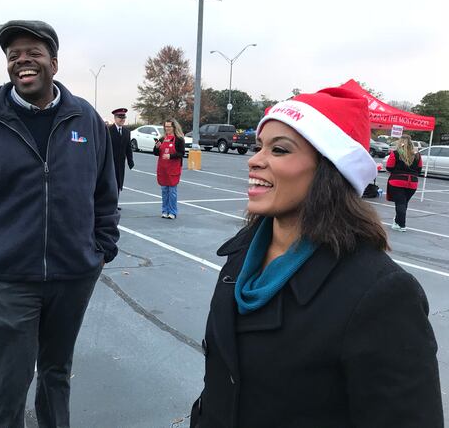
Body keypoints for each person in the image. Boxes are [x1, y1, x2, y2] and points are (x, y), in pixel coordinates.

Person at [190, 87, 442, 428]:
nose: (254, 159)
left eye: (278, 149)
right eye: (258, 146)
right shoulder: (241, 255)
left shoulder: (382, 294)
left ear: (329, 170)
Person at [0, 20, 120, 428]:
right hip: (6, 277)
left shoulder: (85, 120)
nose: (23, 61)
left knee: (56, 373)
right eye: (13, 55)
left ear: (53, 63)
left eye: (33, 53)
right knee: (8, 382)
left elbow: (105, 192)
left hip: (73, 274)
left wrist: (102, 249)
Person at [385, 134, 422, 232]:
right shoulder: (417, 155)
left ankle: (402, 224)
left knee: (400, 203)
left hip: (397, 181)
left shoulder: (396, 153)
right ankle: (397, 221)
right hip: (412, 182)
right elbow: (419, 169)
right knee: (404, 203)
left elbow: (389, 167)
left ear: (400, 142)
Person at [153, 119, 185, 219]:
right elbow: (156, 153)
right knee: (164, 191)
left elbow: (181, 153)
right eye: (166, 127)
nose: (167, 129)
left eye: (169, 127)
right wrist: (157, 147)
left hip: (173, 169)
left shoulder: (179, 139)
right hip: (163, 168)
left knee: (172, 192)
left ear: (174, 127)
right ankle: (165, 210)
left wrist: (170, 156)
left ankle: (172, 212)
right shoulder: (162, 138)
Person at [107, 107, 134, 209]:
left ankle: (115, 203)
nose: (122, 119)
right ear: (115, 118)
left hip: (120, 162)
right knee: (109, 183)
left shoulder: (127, 132)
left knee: (118, 182)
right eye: (120, 117)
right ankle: (108, 203)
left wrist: (130, 161)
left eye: (124, 117)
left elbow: (128, 147)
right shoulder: (108, 130)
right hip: (109, 162)